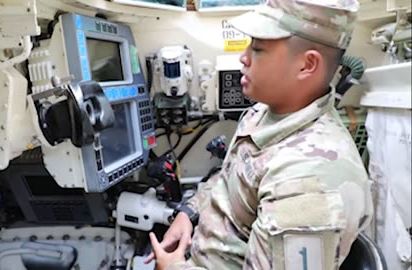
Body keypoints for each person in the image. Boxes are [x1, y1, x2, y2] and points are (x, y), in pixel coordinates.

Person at [145, 0, 374, 269]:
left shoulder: (309, 186)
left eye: (258, 48)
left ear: (306, 65)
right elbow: (232, 176)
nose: (244, 57)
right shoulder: (265, 113)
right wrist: (189, 212)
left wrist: (171, 268)